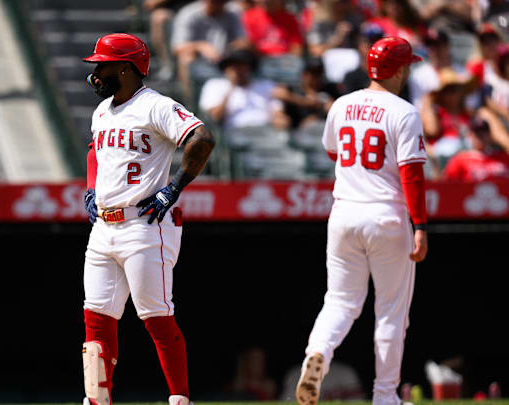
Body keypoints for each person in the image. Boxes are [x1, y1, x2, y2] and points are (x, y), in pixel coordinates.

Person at [81, 33, 215, 405]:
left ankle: (179, 399)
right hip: (104, 226)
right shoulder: (103, 109)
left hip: (145, 223)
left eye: (102, 65)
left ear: (124, 68)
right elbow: (94, 149)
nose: (95, 72)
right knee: (96, 317)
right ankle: (97, 399)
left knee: (155, 317)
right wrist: (92, 187)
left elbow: (202, 138)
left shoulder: (155, 105)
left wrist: (173, 189)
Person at [295, 37, 428, 405]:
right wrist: (421, 226)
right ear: (399, 70)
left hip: (344, 213)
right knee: (391, 312)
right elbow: (412, 175)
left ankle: (318, 351)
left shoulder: (342, 103)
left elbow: (332, 150)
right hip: (386, 215)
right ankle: (385, 396)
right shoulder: (403, 111)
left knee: (339, 301)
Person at [171, 0, 248, 102]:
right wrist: (200, 46)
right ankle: (190, 103)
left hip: (226, 59)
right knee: (185, 57)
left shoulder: (233, 13)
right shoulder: (189, 14)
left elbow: (242, 40)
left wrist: (233, 48)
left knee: (244, 55)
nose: (218, 4)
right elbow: (177, 47)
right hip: (199, 60)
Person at [198, 48, 288, 135]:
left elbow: (278, 114)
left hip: (264, 130)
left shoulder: (265, 85)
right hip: (235, 133)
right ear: (226, 68)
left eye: (242, 65)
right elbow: (215, 117)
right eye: (234, 66)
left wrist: (280, 120)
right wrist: (231, 87)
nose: (238, 70)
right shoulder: (215, 85)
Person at [442, 107, 509, 181]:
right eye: (477, 133)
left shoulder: (504, 157)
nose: (481, 136)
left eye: (484, 132)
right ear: (470, 135)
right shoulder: (460, 160)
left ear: (490, 135)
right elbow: (447, 186)